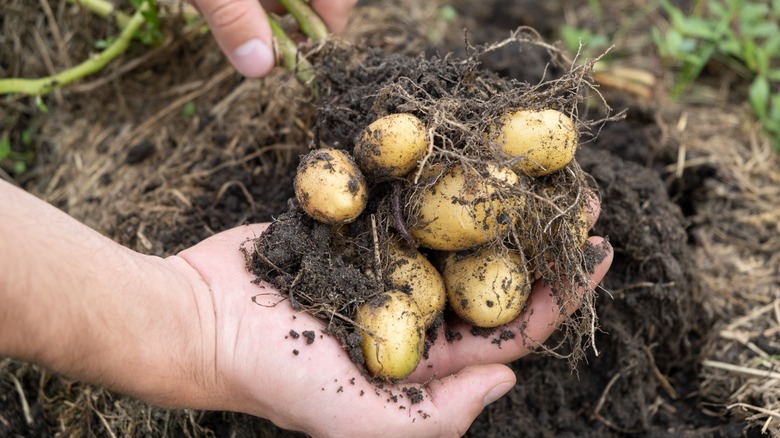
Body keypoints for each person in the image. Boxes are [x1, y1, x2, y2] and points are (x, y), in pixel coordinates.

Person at [0, 1, 614, 436]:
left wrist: (198, 324)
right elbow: (353, 190)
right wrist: (201, 327)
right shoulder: (357, 183)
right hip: (383, 184)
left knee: (483, 263)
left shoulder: (435, 176)